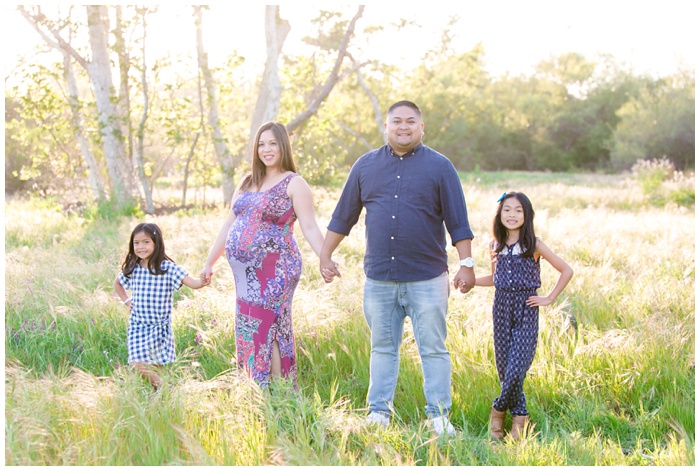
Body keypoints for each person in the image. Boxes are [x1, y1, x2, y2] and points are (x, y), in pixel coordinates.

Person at [320, 100, 475, 436]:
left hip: (428, 278)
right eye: (396, 122)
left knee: (433, 348)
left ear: (422, 127)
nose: (403, 127)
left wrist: (466, 264)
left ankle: (438, 417)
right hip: (380, 279)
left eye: (410, 122)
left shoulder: (440, 167)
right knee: (382, 347)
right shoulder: (365, 166)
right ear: (385, 127)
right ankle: (379, 413)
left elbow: (458, 221)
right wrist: (325, 255)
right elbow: (343, 216)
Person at [200, 122, 327, 388]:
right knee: (249, 324)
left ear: (283, 146)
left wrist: (324, 257)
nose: (266, 149)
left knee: (269, 324)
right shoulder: (248, 181)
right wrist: (210, 261)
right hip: (245, 276)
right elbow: (228, 224)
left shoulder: (294, 183)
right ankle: (256, 388)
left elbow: (309, 225)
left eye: (272, 143)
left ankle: (280, 391)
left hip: (277, 269)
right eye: (261, 144)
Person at [473, 191, 573, 441]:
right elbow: (496, 279)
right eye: (507, 209)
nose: (512, 215)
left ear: (526, 215)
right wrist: (471, 281)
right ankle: (520, 420)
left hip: (526, 307)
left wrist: (549, 298)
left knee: (517, 369)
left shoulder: (533, 245)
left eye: (518, 210)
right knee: (505, 369)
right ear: (500, 214)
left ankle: (497, 412)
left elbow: (566, 270)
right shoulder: (494, 245)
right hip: (502, 307)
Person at [114, 222, 209, 390]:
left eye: (146, 242)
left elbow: (192, 283)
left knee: (157, 370)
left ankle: (160, 400)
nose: (140, 247)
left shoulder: (167, 268)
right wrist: (127, 301)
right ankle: (169, 389)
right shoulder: (133, 268)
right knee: (137, 364)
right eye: (136, 243)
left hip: (160, 328)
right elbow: (118, 284)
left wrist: (202, 281)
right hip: (138, 325)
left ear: (156, 244)